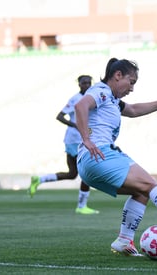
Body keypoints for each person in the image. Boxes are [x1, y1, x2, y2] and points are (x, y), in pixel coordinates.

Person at [75, 57, 157, 256]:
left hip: (88, 164)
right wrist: (86, 138)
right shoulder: (101, 91)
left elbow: (133, 110)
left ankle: (124, 240)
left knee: (142, 192)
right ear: (118, 75)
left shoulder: (112, 99)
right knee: (152, 185)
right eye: (131, 82)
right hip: (100, 154)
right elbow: (80, 106)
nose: (132, 88)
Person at [28, 75, 99, 215]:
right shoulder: (75, 99)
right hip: (75, 140)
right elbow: (60, 116)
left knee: (72, 174)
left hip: (82, 139)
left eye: (88, 83)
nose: (86, 85)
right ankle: (81, 206)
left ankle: (39, 179)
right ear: (79, 84)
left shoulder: (92, 97)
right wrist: (75, 125)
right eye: (83, 83)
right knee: (88, 171)